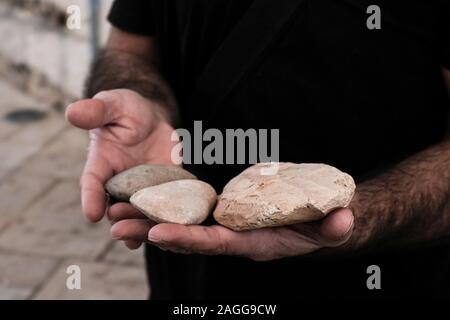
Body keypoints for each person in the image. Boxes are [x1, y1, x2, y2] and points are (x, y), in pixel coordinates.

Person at [66, 0, 450, 299]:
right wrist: (139, 96)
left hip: (380, 278)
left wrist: (362, 212)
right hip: (183, 274)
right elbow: (130, 50)